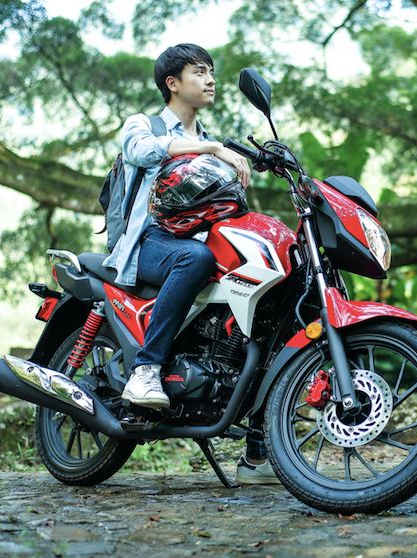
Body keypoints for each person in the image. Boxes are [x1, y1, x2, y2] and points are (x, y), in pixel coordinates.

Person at [102, 43, 277, 485]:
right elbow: (142, 152)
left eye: (212, 71)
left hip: (193, 246)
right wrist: (213, 149)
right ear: (173, 83)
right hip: (146, 244)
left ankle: (258, 450)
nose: (211, 79)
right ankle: (145, 371)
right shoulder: (144, 124)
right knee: (195, 257)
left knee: (264, 301)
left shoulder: (211, 140)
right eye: (199, 71)